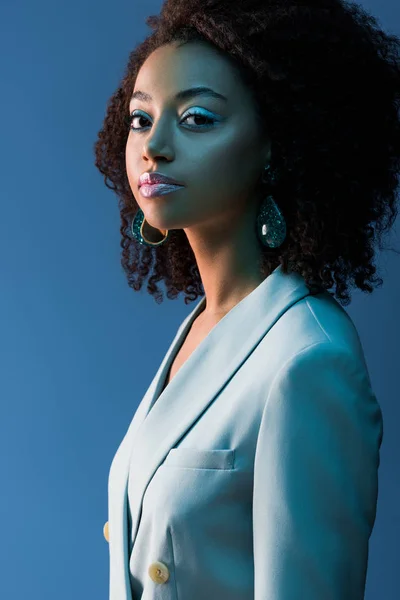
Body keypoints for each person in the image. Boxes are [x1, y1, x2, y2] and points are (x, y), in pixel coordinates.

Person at [94, 0, 400, 598]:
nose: (153, 145)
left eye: (198, 118)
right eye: (140, 118)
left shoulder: (309, 358)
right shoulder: (199, 327)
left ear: (275, 145)